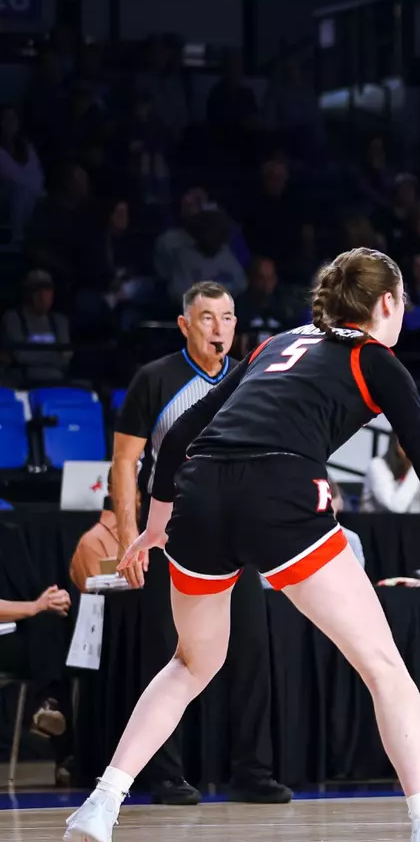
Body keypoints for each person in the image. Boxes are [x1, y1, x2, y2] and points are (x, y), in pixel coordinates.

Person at [65, 247, 420, 842]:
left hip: (201, 494)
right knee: (384, 665)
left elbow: (178, 436)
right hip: (279, 491)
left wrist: (155, 526)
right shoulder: (375, 360)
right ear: (387, 304)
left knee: (191, 661)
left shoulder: (276, 343)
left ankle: (101, 802)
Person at [110, 281, 288, 806]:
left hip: (241, 534)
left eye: (228, 318)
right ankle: (163, 774)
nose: (219, 329)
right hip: (171, 534)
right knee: (174, 655)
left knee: (252, 650)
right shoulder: (155, 379)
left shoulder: (251, 378)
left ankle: (252, 771)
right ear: (185, 325)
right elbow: (126, 463)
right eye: (207, 318)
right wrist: (130, 537)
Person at [364, 434, 420, 514]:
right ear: (395, 442)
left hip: (413, 525)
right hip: (378, 524)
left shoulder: (419, 470)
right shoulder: (377, 465)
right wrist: (417, 466)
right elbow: (396, 507)